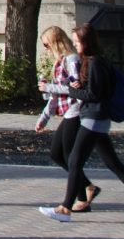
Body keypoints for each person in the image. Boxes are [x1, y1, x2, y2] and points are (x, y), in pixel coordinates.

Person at [37, 23, 124, 224]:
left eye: (77, 41)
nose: (74, 45)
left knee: (74, 161)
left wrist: (73, 89)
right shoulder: (90, 62)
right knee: (114, 164)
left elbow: (95, 94)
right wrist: (77, 86)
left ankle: (65, 208)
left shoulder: (96, 63)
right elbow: (93, 89)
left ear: (86, 41)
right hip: (93, 117)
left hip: (94, 117)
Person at [35, 26, 98, 211]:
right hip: (68, 112)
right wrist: (43, 118)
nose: (45, 49)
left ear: (55, 42)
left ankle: (81, 198)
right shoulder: (59, 62)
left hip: (76, 111)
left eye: (46, 45)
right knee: (58, 154)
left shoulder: (71, 60)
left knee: (70, 156)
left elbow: (74, 88)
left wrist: (49, 88)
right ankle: (87, 188)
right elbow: (55, 96)